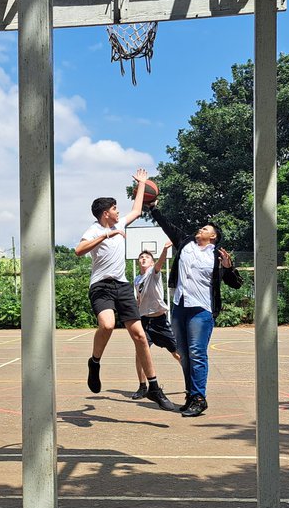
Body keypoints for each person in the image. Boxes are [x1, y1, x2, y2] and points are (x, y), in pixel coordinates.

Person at [75, 169, 178, 411]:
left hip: (121, 286)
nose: (118, 211)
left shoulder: (121, 222)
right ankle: (95, 362)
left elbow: (137, 210)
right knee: (108, 325)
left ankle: (154, 387)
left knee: (140, 336)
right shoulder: (95, 230)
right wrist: (106, 235)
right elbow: (79, 251)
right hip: (101, 286)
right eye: (114, 208)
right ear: (105, 213)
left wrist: (142, 184)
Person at [149, 206, 243, 417]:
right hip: (180, 306)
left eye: (207, 228)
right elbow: (167, 224)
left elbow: (235, 283)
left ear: (214, 236)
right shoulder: (185, 243)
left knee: (197, 353)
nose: (202, 228)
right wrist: (152, 207)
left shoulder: (218, 256)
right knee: (184, 354)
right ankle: (191, 395)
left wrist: (228, 268)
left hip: (201, 309)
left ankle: (200, 398)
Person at [131, 243, 181, 400]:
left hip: (159, 320)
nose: (143, 258)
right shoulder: (137, 279)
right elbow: (139, 298)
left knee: (176, 353)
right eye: (141, 257)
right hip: (144, 321)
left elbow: (160, 263)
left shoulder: (154, 272)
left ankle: (192, 382)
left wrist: (165, 250)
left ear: (152, 262)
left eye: (147, 257)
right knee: (140, 353)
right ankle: (142, 386)